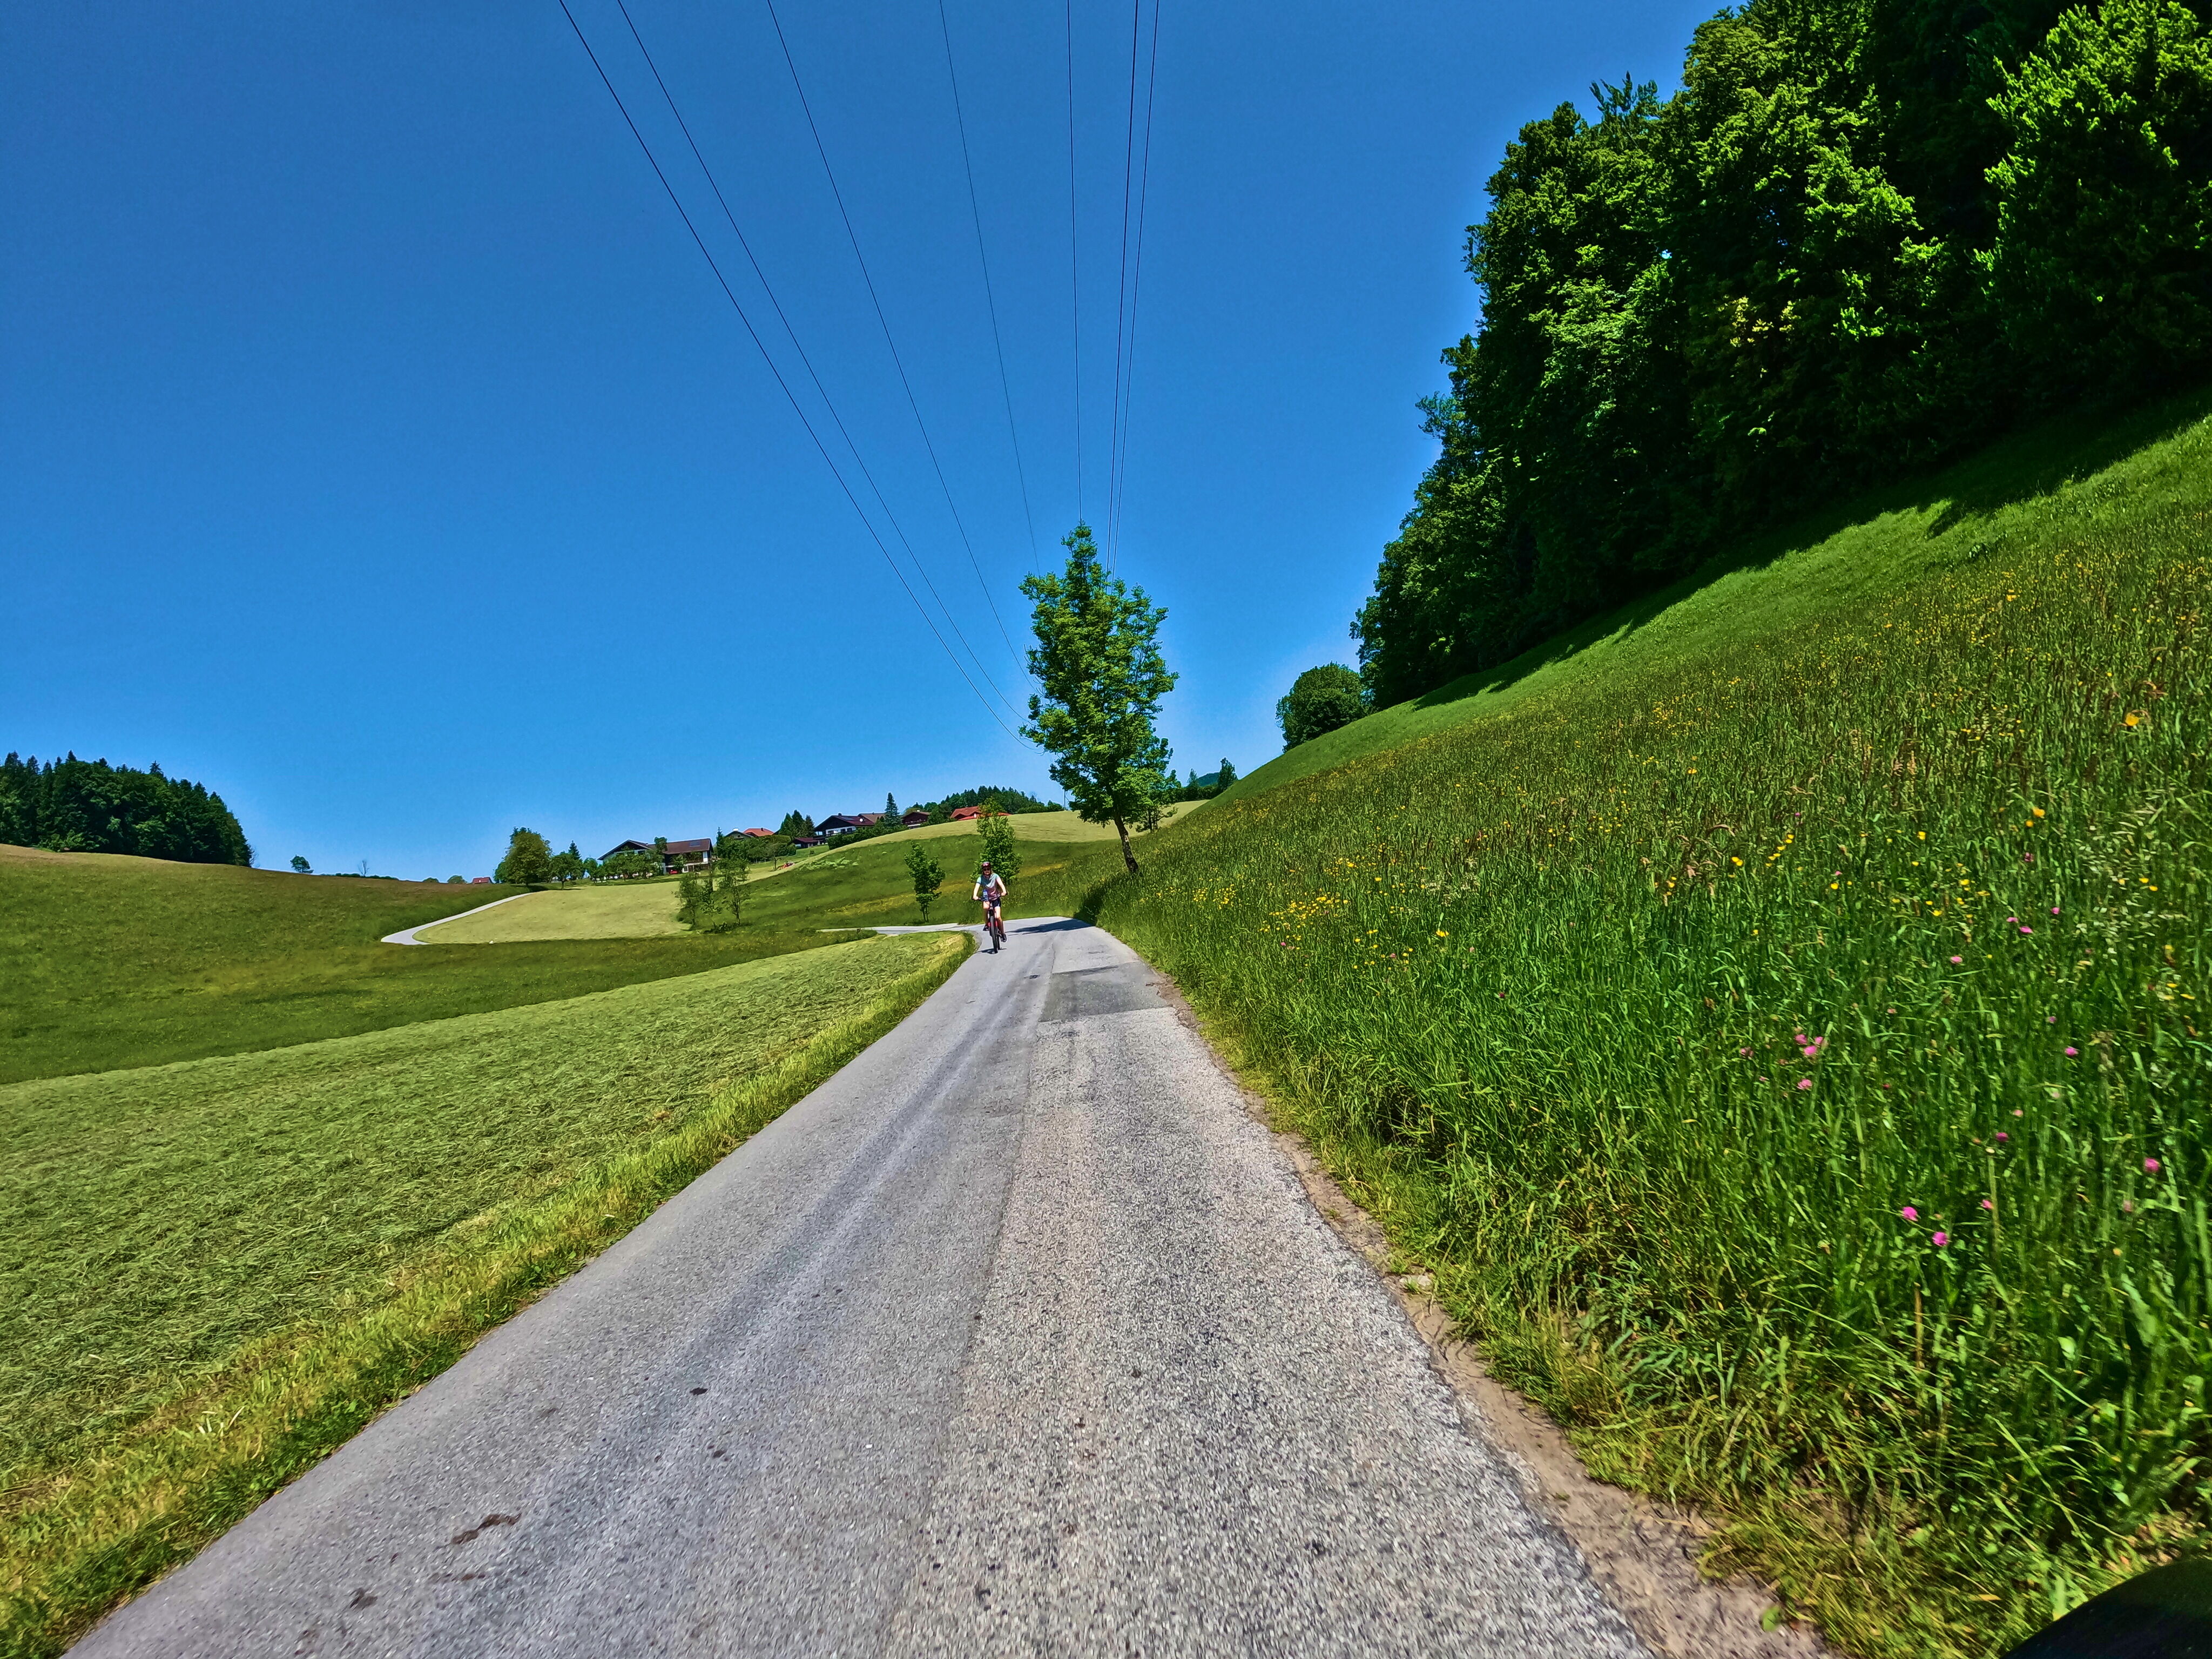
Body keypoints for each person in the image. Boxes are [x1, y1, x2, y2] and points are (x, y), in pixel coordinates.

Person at [973, 860, 1007, 950]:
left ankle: (1003, 934)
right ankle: (987, 924)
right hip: (987, 898)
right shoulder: (981, 878)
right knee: (985, 907)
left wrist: (1004, 891)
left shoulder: (995, 876)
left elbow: (1001, 884)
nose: (987, 871)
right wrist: (975, 896)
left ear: (991, 869)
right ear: (983, 871)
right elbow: (977, 887)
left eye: (988, 869)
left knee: (998, 917)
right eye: (985, 869)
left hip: (996, 898)